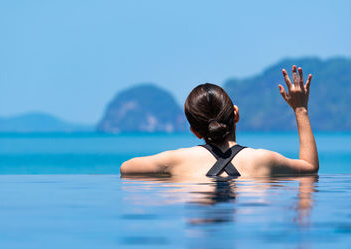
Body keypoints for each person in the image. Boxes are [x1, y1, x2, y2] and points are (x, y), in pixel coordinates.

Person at [120, 65, 319, 177]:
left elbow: (126, 168)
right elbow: (310, 167)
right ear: (236, 114)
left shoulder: (175, 161)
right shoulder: (263, 160)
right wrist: (300, 109)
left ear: (195, 131)